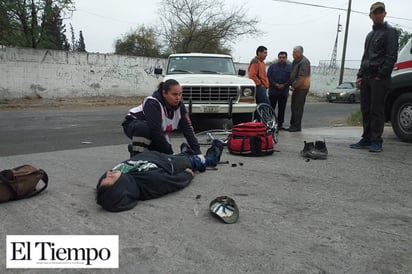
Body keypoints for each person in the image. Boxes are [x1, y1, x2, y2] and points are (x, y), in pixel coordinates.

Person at [96, 140, 224, 212]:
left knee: (181, 156)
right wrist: (187, 175)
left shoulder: (107, 183)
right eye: (111, 177)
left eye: (105, 178)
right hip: (170, 164)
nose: (108, 173)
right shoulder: (151, 182)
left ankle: (184, 153)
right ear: (122, 187)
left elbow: (103, 191)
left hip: (157, 156)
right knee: (196, 161)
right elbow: (173, 183)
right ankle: (213, 155)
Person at [350, 2, 398, 152]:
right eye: (375, 13)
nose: (377, 15)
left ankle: (376, 140)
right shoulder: (370, 35)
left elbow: (391, 57)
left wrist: (380, 75)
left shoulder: (390, 32)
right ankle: (367, 138)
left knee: (377, 110)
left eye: (380, 12)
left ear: (384, 14)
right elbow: (365, 58)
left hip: (379, 78)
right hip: (366, 78)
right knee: (366, 109)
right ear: (370, 15)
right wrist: (359, 76)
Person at [122, 79, 201, 156]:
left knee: (161, 156)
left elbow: (188, 129)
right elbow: (155, 130)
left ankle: (143, 150)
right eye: (174, 94)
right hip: (134, 124)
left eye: (180, 94)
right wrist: (169, 153)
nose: (178, 98)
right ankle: (137, 155)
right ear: (164, 93)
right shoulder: (152, 103)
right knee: (143, 129)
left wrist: (197, 152)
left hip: (156, 131)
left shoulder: (180, 107)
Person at [287, 45, 311, 132]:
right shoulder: (296, 61)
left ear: (299, 53)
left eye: (294, 52)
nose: (292, 53)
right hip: (297, 88)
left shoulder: (304, 62)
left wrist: (293, 86)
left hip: (301, 89)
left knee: (297, 108)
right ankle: (292, 125)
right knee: (294, 107)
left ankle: (296, 126)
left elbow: (302, 77)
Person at [267, 51, 292, 130]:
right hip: (273, 91)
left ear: (286, 58)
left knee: (282, 109)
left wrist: (284, 85)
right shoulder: (272, 67)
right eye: (280, 57)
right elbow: (268, 76)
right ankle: (269, 123)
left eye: (283, 58)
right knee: (271, 108)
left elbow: (291, 78)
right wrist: (275, 84)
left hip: (283, 92)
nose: (281, 59)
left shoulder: (290, 67)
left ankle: (280, 124)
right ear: (278, 58)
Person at [248, 46, 270, 118]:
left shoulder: (262, 63)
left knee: (260, 107)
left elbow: (263, 76)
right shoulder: (255, 61)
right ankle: (266, 123)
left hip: (262, 87)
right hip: (258, 87)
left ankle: (259, 124)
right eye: (265, 53)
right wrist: (260, 84)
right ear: (259, 53)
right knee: (265, 105)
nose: (266, 54)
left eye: (266, 53)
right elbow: (252, 76)